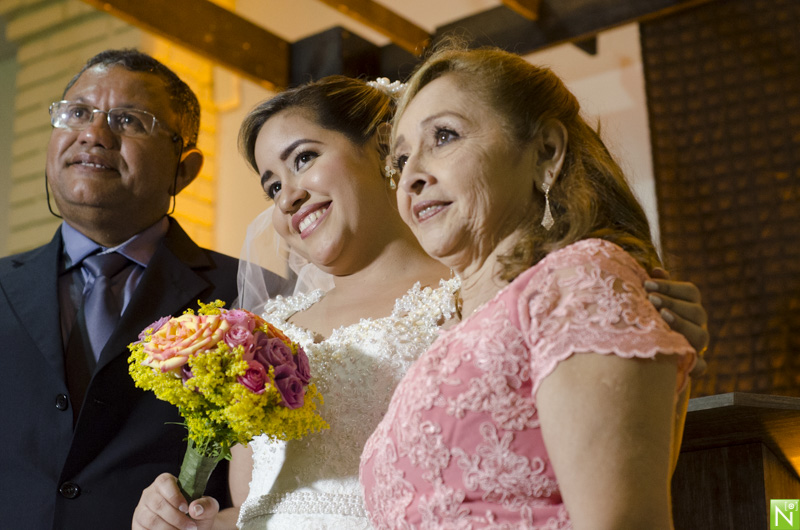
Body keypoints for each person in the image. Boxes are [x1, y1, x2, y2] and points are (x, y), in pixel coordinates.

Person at [133, 76, 708, 530]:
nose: (289, 196)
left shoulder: (494, 293)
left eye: (304, 158)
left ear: (385, 152)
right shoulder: (263, 333)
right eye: (273, 185)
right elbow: (261, 507)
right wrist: (191, 519)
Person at [359, 45, 700, 529]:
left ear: (546, 151)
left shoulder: (581, 278)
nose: (411, 176)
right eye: (400, 160)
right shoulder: (449, 333)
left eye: (444, 136)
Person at [0, 49, 292, 529]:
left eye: (129, 120)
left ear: (185, 168)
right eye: (77, 113)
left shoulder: (255, 299)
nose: (94, 134)